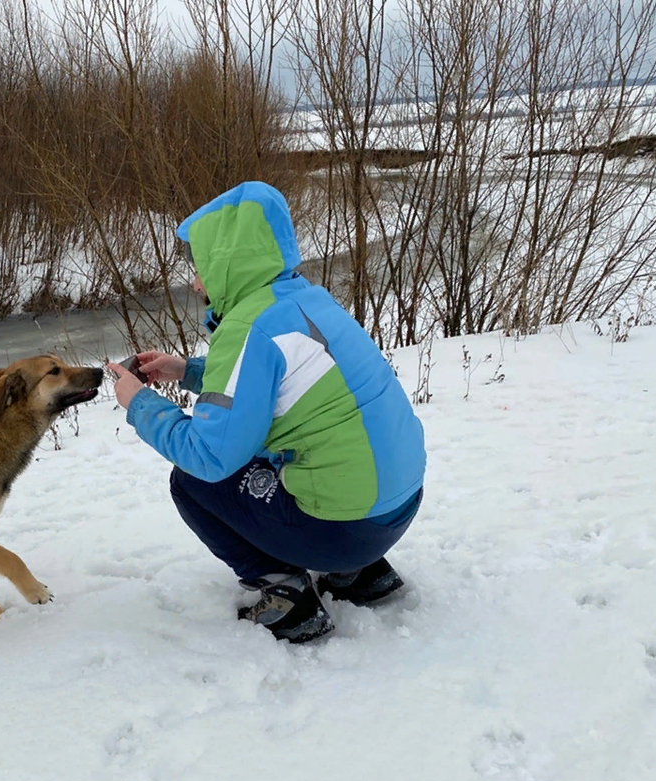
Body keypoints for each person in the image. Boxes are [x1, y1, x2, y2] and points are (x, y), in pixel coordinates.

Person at [108, 181, 425, 643]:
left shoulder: (249, 327)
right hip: (398, 507)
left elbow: (209, 456)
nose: (196, 282)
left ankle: (286, 596)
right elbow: (278, 388)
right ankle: (359, 575)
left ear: (225, 261)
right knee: (269, 447)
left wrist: (139, 403)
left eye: (200, 267)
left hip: (346, 531)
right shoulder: (308, 300)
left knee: (193, 481)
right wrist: (187, 370)